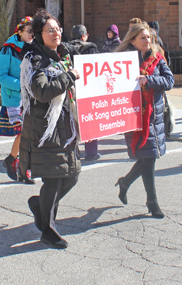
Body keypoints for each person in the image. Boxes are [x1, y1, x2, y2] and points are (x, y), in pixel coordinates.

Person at [19, 9, 81, 249]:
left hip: (64, 127)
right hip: (44, 129)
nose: (56, 33)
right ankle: (49, 230)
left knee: (71, 175)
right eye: (50, 30)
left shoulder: (61, 56)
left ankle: (39, 206)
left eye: (58, 28)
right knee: (54, 180)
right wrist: (69, 77)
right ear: (38, 35)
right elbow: (42, 92)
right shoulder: (35, 59)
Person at [114, 22, 173, 219]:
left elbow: (169, 81)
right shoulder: (122, 62)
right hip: (134, 115)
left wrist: (149, 80)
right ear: (132, 40)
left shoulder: (157, 58)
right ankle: (151, 201)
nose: (148, 40)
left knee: (148, 157)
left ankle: (133, 188)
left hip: (153, 117)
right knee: (147, 157)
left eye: (148, 37)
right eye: (143, 38)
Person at [0, 16, 35, 184]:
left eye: (34, 31)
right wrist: (22, 85)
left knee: (29, 134)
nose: (32, 34)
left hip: (31, 98)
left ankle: (14, 161)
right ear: (19, 32)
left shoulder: (34, 48)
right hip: (14, 98)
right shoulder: (8, 50)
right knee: (24, 134)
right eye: (29, 31)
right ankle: (20, 166)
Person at [68, 24, 101, 161]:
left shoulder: (65, 48)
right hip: (88, 89)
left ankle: (73, 152)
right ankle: (91, 153)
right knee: (90, 120)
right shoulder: (91, 48)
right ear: (83, 36)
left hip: (71, 88)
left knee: (71, 122)